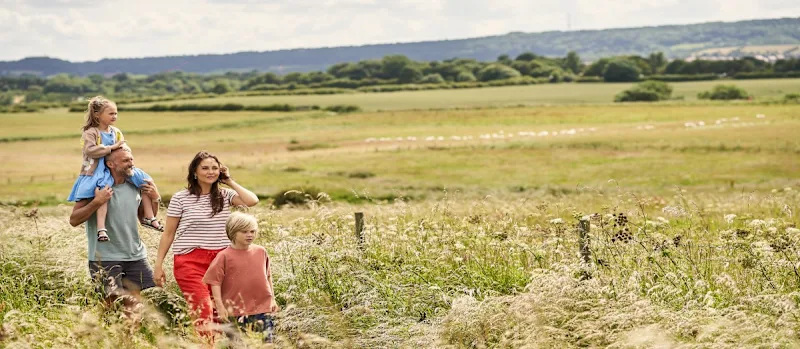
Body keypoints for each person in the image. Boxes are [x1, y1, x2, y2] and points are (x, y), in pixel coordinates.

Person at [153, 151, 259, 338]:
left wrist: (229, 180)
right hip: (189, 261)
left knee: (219, 313)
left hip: (220, 261)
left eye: (215, 168)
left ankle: (212, 343)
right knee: (203, 308)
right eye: (205, 168)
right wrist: (159, 265)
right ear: (194, 172)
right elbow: (168, 234)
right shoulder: (180, 198)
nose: (210, 172)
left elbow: (252, 201)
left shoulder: (225, 195)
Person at [68, 146, 161, 310]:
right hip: (104, 258)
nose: (131, 163)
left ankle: (132, 335)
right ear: (110, 164)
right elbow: (74, 220)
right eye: (125, 160)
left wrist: (154, 199)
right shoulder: (94, 187)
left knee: (150, 299)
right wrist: (97, 201)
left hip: (135, 256)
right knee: (110, 306)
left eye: (131, 159)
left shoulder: (135, 185)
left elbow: (145, 220)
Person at [67, 96, 163, 243]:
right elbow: (90, 150)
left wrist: (155, 198)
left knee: (145, 182)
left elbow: (124, 147)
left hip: (135, 255)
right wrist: (111, 148)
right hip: (97, 170)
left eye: (116, 113)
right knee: (104, 191)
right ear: (97, 115)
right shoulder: (91, 132)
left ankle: (151, 218)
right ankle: (101, 229)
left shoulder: (116, 132)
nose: (115, 116)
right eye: (111, 113)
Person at [202, 212, 279, 343]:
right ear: (232, 232)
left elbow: (268, 276)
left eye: (252, 231)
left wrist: (272, 299)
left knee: (266, 344)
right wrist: (220, 306)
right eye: (244, 231)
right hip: (235, 312)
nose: (250, 235)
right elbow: (215, 282)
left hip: (262, 309)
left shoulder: (261, 251)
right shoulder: (224, 256)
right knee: (239, 345)